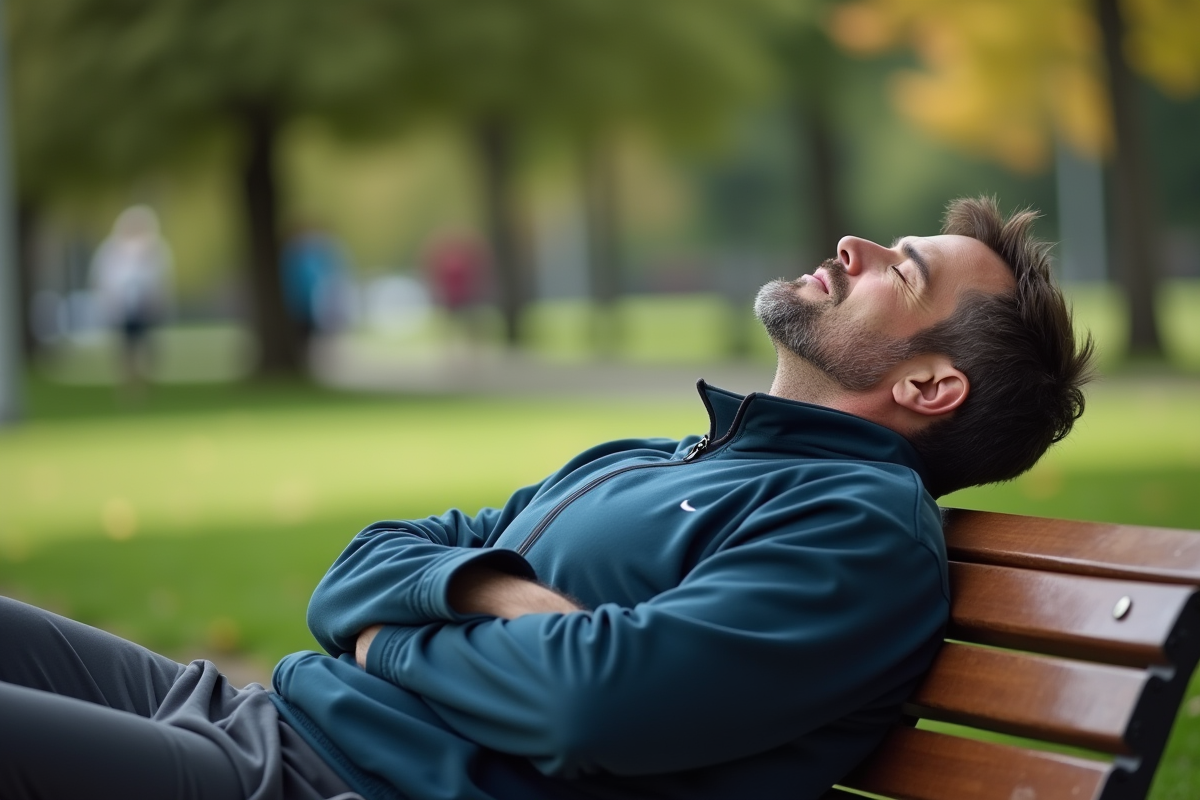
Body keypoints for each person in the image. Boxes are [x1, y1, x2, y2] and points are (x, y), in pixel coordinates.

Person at [0, 197, 1095, 800]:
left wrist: (387, 636)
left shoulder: (856, 532)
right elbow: (359, 569)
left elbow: (593, 706)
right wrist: (496, 593)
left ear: (930, 386)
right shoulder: (666, 455)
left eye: (900, 269)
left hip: (326, 780)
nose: (853, 244)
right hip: (259, 717)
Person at [89, 205, 173, 392]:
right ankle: (128, 383)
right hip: (120, 307)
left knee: (146, 347)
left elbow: (161, 280)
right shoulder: (111, 249)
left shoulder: (155, 249)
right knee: (125, 348)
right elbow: (103, 278)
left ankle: (143, 381)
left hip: (146, 307)